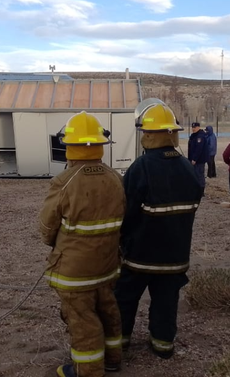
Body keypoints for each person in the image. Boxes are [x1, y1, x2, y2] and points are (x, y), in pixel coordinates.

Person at [39, 112, 125, 377]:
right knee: (108, 310)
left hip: (75, 272)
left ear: (70, 146)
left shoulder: (64, 182)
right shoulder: (115, 177)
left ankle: (88, 371)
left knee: (83, 321)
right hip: (108, 266)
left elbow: (46, 228)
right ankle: (113, 359)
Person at [115, 102, 202, 360]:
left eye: (145, 133)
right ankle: (163, 345)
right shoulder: (187, 167)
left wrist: (122, 239)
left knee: (125, 297)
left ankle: (120, 342)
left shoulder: (141, 167)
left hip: (140, 254)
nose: (143, 137)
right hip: (176, 255)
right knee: (166, 301)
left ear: (152, 135)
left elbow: (126, 211)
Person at [187, 122, 208, 193]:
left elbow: (199, 149)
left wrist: (194, 159)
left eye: (195, 127)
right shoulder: (193, 136)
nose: (193, 129)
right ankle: (195, 189)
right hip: (192, 159)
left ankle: (201, 191)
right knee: (194, 175)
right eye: (192, 127)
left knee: (199, 175)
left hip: (199, 160)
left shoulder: (200, 136)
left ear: (198, 127)